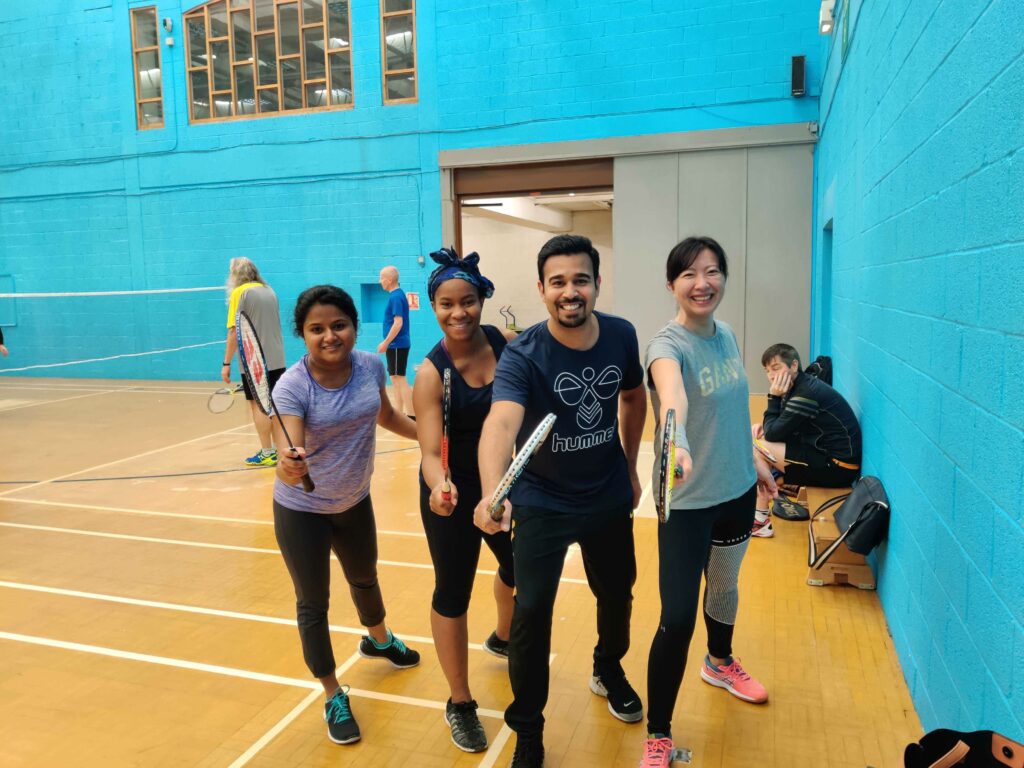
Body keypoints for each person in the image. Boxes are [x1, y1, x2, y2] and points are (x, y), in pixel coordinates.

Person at [475, 234, 648, 768]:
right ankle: (528, 727)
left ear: (597, 284)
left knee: (617, 594)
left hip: (607, 493)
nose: (570, 291)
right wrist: (492, 490)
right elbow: (500, 423)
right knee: (530, 613)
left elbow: (633, 395)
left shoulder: (621, 334)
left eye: (580, 280)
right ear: (541, 289)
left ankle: (608, 668)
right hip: (541, 501)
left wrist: (629, 465)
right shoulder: (523, 354)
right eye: (558, 282)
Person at [639, 236, 777, 768]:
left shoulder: (729, 335)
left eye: (713, 271)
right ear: (670, 284)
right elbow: (672, 397)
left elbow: (733, 407)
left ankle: (719, 662)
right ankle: (658, 734)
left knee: (723, 586)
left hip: (736, 492)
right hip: (687, 502)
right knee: (676, 617)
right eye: (690, 274)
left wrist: (754, 456)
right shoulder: (666, 346)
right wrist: (676, 443)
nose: (703, 283)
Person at [271, 284, 421, 746]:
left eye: (339, 325)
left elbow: (387, 417)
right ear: (302, 334)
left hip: (354, 500)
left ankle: (378, 640)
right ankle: (333, 693)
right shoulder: (293, 386)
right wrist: (289, 464)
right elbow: (287, 448)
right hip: (303, 510)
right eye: (316, 329)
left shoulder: (370, 366)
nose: (329, 336)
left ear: (354, 327)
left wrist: (433, 439)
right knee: (313, 603)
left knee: (365, 578)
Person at [412, 247, 516, 753]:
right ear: (434, 306)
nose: (459, 313)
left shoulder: (505, 343)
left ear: (482, 299)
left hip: (504, 488)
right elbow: (430, 452)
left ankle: (503, 636)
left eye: (468, 301)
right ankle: (460, 702)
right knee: (453, 592)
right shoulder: (431, 373)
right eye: (447, 304)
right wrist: (439, 486)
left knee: (520, 570)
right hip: (452, 492)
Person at [750, 343, 862, 537]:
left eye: (776, 368)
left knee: (757, 447)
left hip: (838, 467)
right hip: (825, 458)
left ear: (794, 365)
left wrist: (773, 397)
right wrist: (765, 425)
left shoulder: (806, 393)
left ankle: (760, 520)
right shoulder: (798, 386)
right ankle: (763, 509)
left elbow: (774, 434)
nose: (771, 376)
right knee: (761, 445)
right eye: (767, 371)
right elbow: (779, 428)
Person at [221, 257, 285, 466]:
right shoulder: (269, 291)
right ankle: (281, 449)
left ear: (235, 274)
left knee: (258, 405)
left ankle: (267, 452)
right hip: (277, 357)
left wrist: (226, 363)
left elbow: (233, 331)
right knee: (275, 404)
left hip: (254, 360)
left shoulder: (240, 293)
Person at [376, 266, 414, 418]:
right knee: (394, 377)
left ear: (389, 280)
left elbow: (398, 323)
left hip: (397, 344)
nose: (380, 281)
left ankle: (411, 414)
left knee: (400, 377)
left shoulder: (396, 297)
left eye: (382, 278)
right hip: (395, 344)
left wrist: (385, 343)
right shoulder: (395, 295)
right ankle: (398, 412)